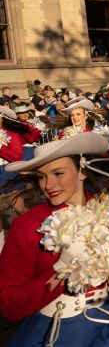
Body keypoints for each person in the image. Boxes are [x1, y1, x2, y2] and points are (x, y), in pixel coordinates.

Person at [0, 132, 109, 346]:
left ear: (82, 172)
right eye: (41, 176)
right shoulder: (28, 226)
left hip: (107, 327)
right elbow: (9, 305)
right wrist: (61, 268)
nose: (48, 184)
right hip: (56, 333)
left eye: (58, 173)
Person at [0, 106, 30, 252]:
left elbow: (17, 157)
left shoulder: (12, 135)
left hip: (9, 174)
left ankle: (31, 234)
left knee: (19, 208)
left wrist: (1, 149)